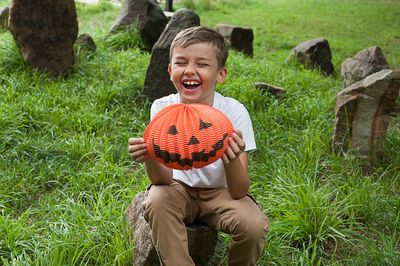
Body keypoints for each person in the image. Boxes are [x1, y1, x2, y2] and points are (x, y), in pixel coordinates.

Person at [128, 26, 268, 266]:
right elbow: (162, 180)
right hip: (176, 187)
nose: (189, 70)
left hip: (220, 193)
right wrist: (150, 156)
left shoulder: (233, 112)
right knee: (157, 201)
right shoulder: (162, 108)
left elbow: (238, 191)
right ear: (171, 70)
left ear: (220, 74)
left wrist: (232, 158)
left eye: (202, 64)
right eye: (181, 62)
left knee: (253, 224)